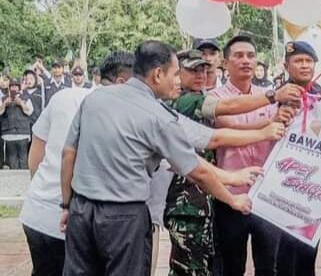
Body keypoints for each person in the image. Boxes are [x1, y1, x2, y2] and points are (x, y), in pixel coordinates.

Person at [60, 41, 260, 275]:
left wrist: (66, 205)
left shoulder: (96, 99)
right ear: (157, 74)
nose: (177, 80)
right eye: (175, 74)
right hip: (123, 218)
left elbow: (68, 154)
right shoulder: (158, 116)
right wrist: (233, 199)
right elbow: (196, 170)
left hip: (81, 210)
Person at [165, 49, 299, 276]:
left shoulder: (201, 96)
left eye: (203, 69)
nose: (199, 75)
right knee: (204, 266)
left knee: (261, 265)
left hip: (229, 195)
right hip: (194, 199)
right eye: (191, 70)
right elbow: (222, 128)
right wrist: (269, 111)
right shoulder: (191, 100)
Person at [20, 53, 125, 276]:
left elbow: (35, 152)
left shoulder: (63, 96)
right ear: (122, 82)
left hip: (36, 213)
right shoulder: (116, 112)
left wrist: (42, 189)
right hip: (72, 222)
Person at [209, 35, 289, 276]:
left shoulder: (272, 96)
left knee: (268, 266)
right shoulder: (214, 98)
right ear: (225, 62)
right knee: (232, 266)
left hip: (267, 195)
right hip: (230, 195)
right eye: (239, 55)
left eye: (251, 56)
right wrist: (267, 126)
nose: (246, 61)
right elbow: (226, 128)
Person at [277, 40, 321, 276]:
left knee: (308, 252)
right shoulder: (275, 95)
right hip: (281, 184)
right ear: (287, 65)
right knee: (282, 253)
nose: (304, 66)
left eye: (308, 61)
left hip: (311, 187)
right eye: (298, 61)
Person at [0, 79, 34, 169]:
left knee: (23, 160)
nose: (14, 87)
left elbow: (30, 112)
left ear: (19, 87)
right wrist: (4, 104)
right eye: (12, 86)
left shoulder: (26, 97)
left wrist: (21, 104)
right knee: (12, 161)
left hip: (22, 133)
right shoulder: (3, 98)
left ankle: (24, 182)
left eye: (16, 85)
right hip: (8, 134)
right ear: (9, 87)